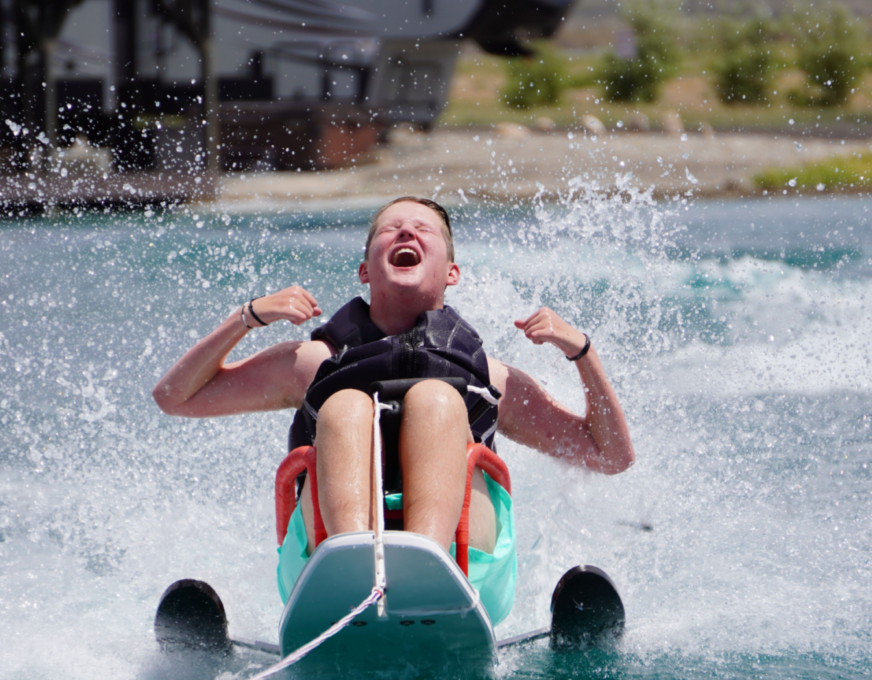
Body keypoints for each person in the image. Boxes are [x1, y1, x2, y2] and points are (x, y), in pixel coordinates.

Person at [153, 197, 634, 625]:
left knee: (437, 399)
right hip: (327, 573)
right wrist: (249, 316)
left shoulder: (491, 376)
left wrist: (582, 352)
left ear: (452, 272)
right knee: (343, 406)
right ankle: (350, 572)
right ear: (365, 270)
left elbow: (609, 455)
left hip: (467, 567)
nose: (406, 233)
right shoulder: (310, 363)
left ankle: (427, 574)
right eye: (391, 228)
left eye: (424, 229)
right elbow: (175, 396)